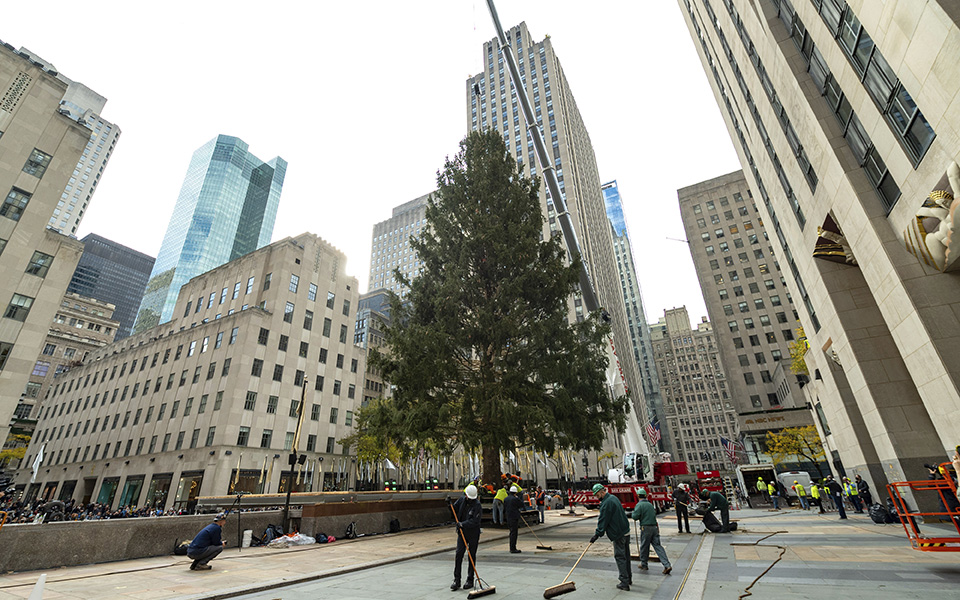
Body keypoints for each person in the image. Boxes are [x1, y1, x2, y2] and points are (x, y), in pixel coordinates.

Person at [588, 483, 632, 591]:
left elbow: (603, 520)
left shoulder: (606, 503)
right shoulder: (613, 498)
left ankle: (624, 582)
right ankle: (628, 578)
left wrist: (597, 534)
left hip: (618, 534)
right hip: (625, 531)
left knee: (620, 557)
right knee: (626, 556)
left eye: (597, 495)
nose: (597, 498)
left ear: (602, 492)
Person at [632, 488, 672, 574]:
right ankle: (667, 565)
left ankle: (644, 564)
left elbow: (635, 517)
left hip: (646, 528)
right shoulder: (650, 505)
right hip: (654, 527)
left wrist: (633, 513)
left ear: (638, 496)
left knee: (644, 546)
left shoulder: (639, 505)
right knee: (658, 546)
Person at [452, 484, 483, 591]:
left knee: (471, 555)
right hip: (462, 533)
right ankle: (457, 580)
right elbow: (454, 510)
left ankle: (470, 579)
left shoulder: (477, 505)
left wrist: (463, 524)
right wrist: (449, 505)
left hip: (473, 533)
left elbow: (475, 521)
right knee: (459, 554)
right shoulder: (462, 500)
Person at [504, 485, 523, 553]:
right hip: (514, 517)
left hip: (508, 517)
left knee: (511, 532)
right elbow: (521, 504)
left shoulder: (506, 499)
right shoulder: (515, 499)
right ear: (515, 492)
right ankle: (513, 548)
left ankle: (511, 547)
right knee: (514, 533)